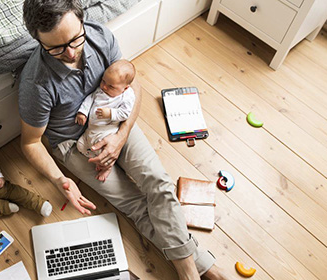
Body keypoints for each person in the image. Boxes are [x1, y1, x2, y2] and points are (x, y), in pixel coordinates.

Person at [19, 1, 231, 279]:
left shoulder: (98, 36)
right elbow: (30, 143)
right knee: (134, 203)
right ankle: (200, 267)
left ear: (82, 21)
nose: (70, 53)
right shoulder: (35, 84)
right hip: (74, 145)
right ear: (38, 40)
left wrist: (121, 136)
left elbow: (133, 86)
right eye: (56, 48)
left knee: (158, 182)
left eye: (75, 39)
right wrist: (61, 180)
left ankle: (191, 269)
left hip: (114, 123)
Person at [75, 59, 136, 182]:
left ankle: (107, 167)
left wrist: (110, 113)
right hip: (91, 129)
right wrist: (83, 112)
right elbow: (90, 98)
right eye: (103, 81)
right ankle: (94, 157)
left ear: (125, 88)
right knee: (80, 145)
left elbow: (125, 113)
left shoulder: (127, 96)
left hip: (106, 131)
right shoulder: (102, 89)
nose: (104, 86)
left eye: (111, 86)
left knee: (103, 152)